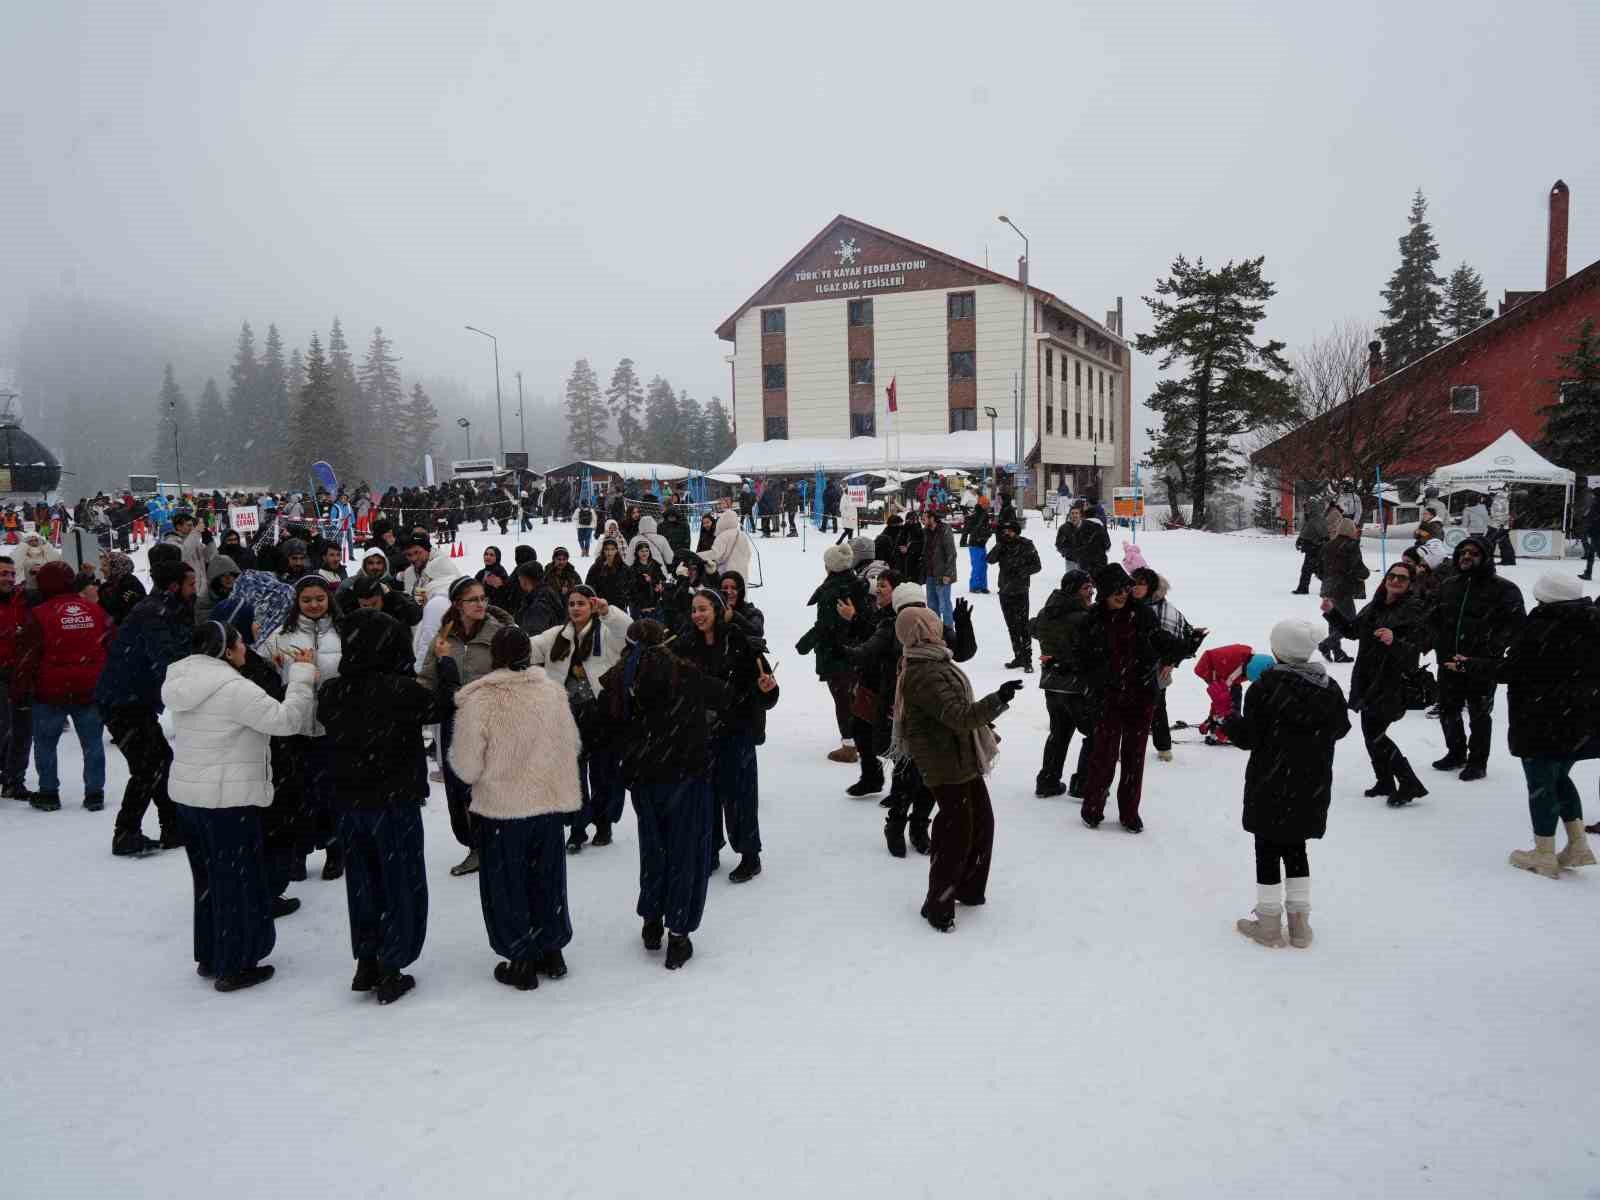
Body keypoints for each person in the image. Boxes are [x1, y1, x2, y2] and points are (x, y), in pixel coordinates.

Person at [163, 622, 316, 993]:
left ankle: (212, 953)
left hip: (190, 797)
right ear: (226, 651)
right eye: (240, 643)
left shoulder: (182, 679)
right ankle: (238, 961)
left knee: (209, 881)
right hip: (229, 801)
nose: (245, 648)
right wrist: (301, 675)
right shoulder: (234, 689)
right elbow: (286, 721)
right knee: (239, 881)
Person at [317, 609, 441, 1004]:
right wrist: (447, 665)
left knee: (363, 883)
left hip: (350, 803)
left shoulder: (335, 691)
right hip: (394, 802)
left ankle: (367, 957)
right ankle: (392, 962)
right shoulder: (400, 691)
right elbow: (442, 705)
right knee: (400, 882)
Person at [448, 625, 582, 990]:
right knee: (547, 879)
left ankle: (520, 958)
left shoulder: (479, 700)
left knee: (507, 885)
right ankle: (552, 951)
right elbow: (571, 745)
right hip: (547, 804)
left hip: (501, 811)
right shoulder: (553, 694)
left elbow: (467, 766)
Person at [600, 619, 724, 969]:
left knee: (654, 849)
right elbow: (725, 697)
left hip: (644, 779)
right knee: (685, 853)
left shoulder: (620, 675)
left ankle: (652, 921)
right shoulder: (683, 672)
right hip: (685, 775)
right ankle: (679, 933)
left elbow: (605, 726)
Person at [1459, 573, 1600, 877]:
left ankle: (1544, 853)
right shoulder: (1593, 623)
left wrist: (1469, 664)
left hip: (1542, 719)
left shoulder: (1541, 626)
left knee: (1541, 783)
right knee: (1561, 777)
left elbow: (1512, 670)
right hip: (1582, 720)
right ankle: (1577, 844)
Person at [892, 604, 1021, 932]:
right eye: (934, 625)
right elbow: (960, 717)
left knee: (981, 824)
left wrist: (963, 622)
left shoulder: (933, 659)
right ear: (922, 632)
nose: (939, 629)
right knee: (956, 833)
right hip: (945, 764)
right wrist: (998, 699)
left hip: (961, 758)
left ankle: (968, 889)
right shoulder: (924, 672)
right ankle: (938, 904)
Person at [1224, 619, 1351, 948]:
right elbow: (1341, 727)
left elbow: (1248, 738)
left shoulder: (1265, 688)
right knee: (1297, 848)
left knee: (1266, 849)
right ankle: (1300, 926)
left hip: (1270, 781)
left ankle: (1268, 924)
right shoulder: (1329, 687)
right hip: (1311, 783)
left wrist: (1230, 716)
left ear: (1278, 650)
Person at [1076, 564, 1193, 832]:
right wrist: (1099, 681)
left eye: (1126, 590)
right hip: (1107, 698)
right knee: (1103, 755)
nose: (1122, 595)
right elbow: (1081, 659)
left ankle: (1129, 812)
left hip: (1141, 695)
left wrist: (1184, 647)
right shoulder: (1092, 620)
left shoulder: (1142, 615)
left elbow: (1162, 642)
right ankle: (1093, 807)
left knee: (1134, 757)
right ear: (1104, 592)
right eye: (1116, 591)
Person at [676, 589, 779, 883]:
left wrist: (767, 688)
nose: (697, 615)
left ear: (718, 611)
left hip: (737, 731)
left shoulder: (742, 644)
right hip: (700, 733)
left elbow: (768, 694)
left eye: (703, 609)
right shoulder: (686, 646)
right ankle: (710, 850)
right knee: (704, 796)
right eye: (694, 609)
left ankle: (750, 855)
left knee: (740, 797)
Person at [96, 560, 196, 856]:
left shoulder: (167, 609)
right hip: (122, 701)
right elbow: (165, 659)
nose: (195, 590)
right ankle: (126, 834)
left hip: (133, 699)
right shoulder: (154, 613)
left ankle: (172, 828)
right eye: (191, 584)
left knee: (160, 763)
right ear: (174, 586)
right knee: (148, 768)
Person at [417, 577, 511, 876]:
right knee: (459, 792)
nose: (481, 604)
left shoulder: (499, 635)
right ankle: (475, 846)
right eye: (473, 600)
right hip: (454, 724)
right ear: (458, 604)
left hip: (491, 725)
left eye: (483, 598)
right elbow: (427, 680)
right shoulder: (443, 639)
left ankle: (496, 846)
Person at [526, 584, 631, 852]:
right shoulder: (557, 636)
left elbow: (628, 632)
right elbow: (529, 647)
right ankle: (577, 827)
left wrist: (609, 612)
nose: (575, 608)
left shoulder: (606, 633)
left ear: (591, 606)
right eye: (571, 603)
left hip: (602, 714)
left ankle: (603, 822)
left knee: (604, 772)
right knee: (572, 773)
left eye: (581, 603)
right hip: (568, 715)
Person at [1322, 559, 1431, 807]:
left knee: (1376, 735)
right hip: (1367, 679)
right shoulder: (1376, 606)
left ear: (1410, 584)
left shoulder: (1413, 609)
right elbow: (1352, 631)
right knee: (1369, 733)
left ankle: (1409, 782)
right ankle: (1384, 781)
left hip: (1392, 681)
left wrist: (1395, 640)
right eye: (1392, 576)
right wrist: (1332, 612)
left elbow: (1417, 649)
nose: (1395, 581)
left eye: (1402, 578)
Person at [261, 577, 344, 883]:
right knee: (295, 794)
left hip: (330, 727)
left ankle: (335, 850)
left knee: (330, 793)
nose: (313, 605)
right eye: (306, 599)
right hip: (294, 727)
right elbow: (267, 676)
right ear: (297, 601)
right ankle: (298, 852)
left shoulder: (342, 631)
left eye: (319, 598)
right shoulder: (281, 635)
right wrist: (276, 663)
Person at [1427, 536, 1525, 782]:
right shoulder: (1449, 585)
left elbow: (1515, 627)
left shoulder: (1504, 588)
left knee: (1479, 712)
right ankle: (1455, 752)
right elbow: (1434, 617)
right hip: (1448, 660)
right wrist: (1437, 642)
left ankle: (1478, 761)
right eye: (1462, 552)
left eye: (1473, 553)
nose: (1466, 557)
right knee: (1449, 710)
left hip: (1481, 663)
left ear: (1485, 557)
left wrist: (1490, 648)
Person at [14, 561, 108, 811]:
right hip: (88, 687)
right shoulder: (94, 610)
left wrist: (22, 687)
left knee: (45, 743)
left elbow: (29, 655)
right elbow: (110, 643)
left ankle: (48, 792)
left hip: (50, 690)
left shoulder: (39, 614)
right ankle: (94, 792)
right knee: (92, 743)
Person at [796, 543, 868, 763]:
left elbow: (826, 625)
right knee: (856, 697)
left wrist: (804, 644)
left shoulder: (832, 591)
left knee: (843, 699)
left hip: (837, 652)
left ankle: (849, 745)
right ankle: (862, 739)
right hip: (858, 649)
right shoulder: (858, 584)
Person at [1030, 569, 1097, 798]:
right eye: (1086, 588)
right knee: (1095, 734)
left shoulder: (1046, 612)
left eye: (1091, 588)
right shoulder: (1083, 618)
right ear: (1074, 590)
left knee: (1059, 733)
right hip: (1077, 687)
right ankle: (1083, 783)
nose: (1091, 593)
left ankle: (1048, 781)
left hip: (1051, 684)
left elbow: (1032, 628)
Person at [987, 518, 1041, 672]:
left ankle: (1028, 660)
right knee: (1011, 626)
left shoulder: (1026, 545)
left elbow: (1037, 565)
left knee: (1023, 626)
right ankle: (1018, 656)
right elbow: (989, 559)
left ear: (1016, 531)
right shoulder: (1002, 545)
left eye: (1010, 530)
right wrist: (1000, 545)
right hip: (1005, 590)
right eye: (1005, 531)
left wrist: (1022, 571)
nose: (1007, 533)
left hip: (1021, 590)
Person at [0, 555, 33, 799]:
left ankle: (14, 780)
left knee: (22, 729)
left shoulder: (23, 598)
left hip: (20, 674)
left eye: (11, 573)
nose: (9, 578)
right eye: (3, 573)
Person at [1317, 517, 1368, 663]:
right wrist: (1366, 574)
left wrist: (1327, 578)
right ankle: (1326, 644)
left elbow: (1318, 567)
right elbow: (1357, 567)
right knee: (1351, 621)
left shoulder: (1328, 545)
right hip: (1343, 588)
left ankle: (1338, 652)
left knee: (1334, 619)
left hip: (1328, 586)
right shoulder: (1351, 545)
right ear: (1351, 530)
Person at [921, 510, 958, 629]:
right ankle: (935, 629)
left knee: (944, 604)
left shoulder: (944, 530)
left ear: (932, 519)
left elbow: (951, 553)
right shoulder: (925, 532)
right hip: (930, 574)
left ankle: (948, 630)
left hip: (942, 575)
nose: (923, 520)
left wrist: (948, 574)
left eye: (925, 518)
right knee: (932, 605)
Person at [707, 509, 754, 581]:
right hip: (741, 573)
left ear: (721, 522)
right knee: (738, 590)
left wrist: (698, 556)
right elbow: (748, 554)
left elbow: (715, 554)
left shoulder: (722, 536)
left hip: (726, 572)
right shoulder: (742, 535)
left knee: (726, 590)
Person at [628, 541, 670, 621]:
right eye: (642, 551)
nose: (644, 553)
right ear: (637, 553)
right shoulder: (633, 569)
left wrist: (660, 585)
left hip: (656, 603)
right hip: (642, 606)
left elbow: (663, 578)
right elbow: (632, 590)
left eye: (646, 550)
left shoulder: (655, 564)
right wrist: (640, 607)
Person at [1292, 502, 1328, 594]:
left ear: (1313, 509)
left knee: (1310, 570)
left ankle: (1303, 589)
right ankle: (1329, 588)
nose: (1306, 510)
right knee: (1315, 570)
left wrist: (1318, 542)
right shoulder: (1311, 519)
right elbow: (1305, 532)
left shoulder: (1317, 520)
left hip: (1315, 549)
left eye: (1307, 508)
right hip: (1311, 548)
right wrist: (1299, 541)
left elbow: (1324, 535)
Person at [964, 494, 992, 593]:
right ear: (983, 504)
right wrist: (986, 533)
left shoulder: (981, 514)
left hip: (979, 543)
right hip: (976, 543)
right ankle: (975, 586)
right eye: (987, 504)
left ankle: (982, 586)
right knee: (978, 565)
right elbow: (974, 529)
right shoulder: (980, 515)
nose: (989, 506)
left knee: (982, 565)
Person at [1486, 486, 1517, 566]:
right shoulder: (1503, 498)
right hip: (1501, 524)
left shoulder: (1499, 499)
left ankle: (1488, 560)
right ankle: (1508, 560)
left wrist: (1499, 524)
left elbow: (1498, 513)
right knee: (1504, 542)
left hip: (1497, 525)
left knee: (1490, 542)